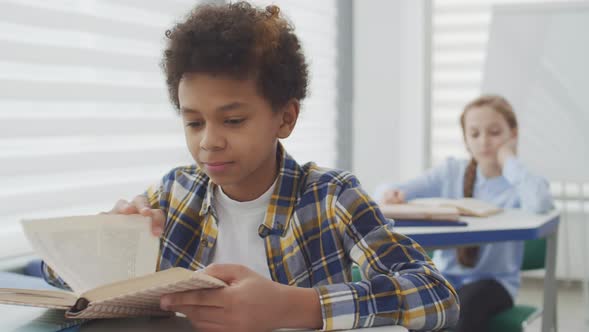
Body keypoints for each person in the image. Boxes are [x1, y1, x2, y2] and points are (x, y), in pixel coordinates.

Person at [42, 2, 459, 331]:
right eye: (193, 121)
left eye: (233, 120)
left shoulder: (332, 197)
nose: (209, 141)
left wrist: (291, 306)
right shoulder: (176, 192)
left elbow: (437, 295)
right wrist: (106, 244)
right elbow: (58, 276)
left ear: (285, 118)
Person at [377, 94, 554, 332]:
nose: (484, 142)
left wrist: (508, 159)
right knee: (409, 303)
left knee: (464, 305)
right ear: (465, 140)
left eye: (494, 132)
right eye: (475, 134)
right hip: (446, 277)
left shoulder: (520, 182)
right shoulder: (452, 172)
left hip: (494, 284)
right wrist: (392, 193)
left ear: (513, 134)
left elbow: (540, 201)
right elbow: (389, 189)